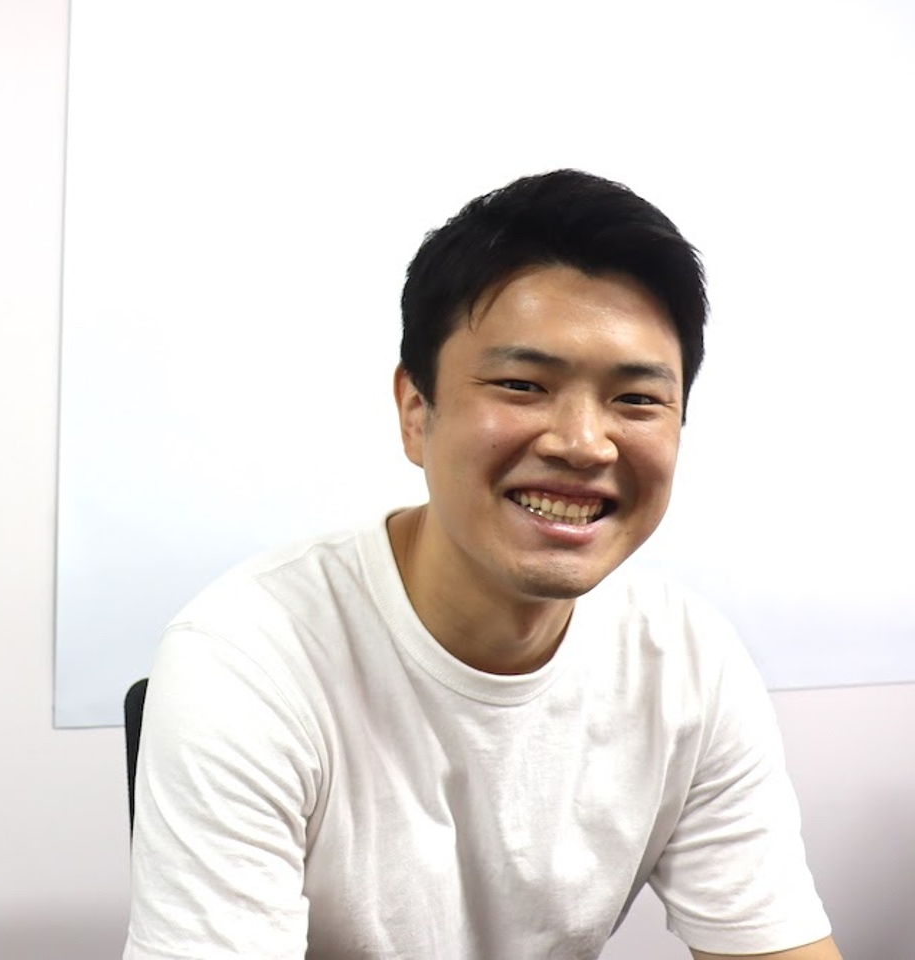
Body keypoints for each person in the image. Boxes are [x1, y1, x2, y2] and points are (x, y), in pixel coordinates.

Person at [123, 170, 841, 959]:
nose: (583, 444)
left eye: (636, 399)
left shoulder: (686, 659)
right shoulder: (249, 661)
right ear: (415, 411)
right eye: (522, 385)